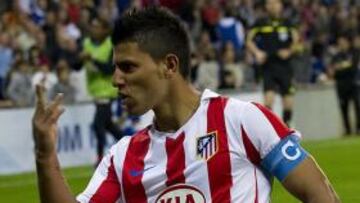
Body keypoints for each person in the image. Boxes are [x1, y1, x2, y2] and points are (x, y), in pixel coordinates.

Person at [32, 7, 340, 203]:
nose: (116, 80)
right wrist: (46, 156)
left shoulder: (243, 120)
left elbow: (320, 196)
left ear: (169, 65)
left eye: (128, 67)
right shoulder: (122, 157)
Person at [246, 0, 299, 126]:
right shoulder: (260, 23)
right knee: (268, 101)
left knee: (288, 103)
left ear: (281, 5)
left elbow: (297, 40)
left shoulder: (288, 23)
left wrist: (289, 51)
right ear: (266, 6)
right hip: (268, 66)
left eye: (275, 3)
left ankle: (286, 129)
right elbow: (248, 40)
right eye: (269, 3)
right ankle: (270, 132)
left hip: (285, 67)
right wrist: (257, 52)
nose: (272, 6)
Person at [80, 16, 123, 164]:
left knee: (98, 124)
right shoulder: (86, 44)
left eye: (97, 26)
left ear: (105, 30)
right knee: (108, 125)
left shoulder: (111, 45)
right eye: (92, 26)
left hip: (107, 92)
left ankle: (100, 158)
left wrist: (91, 59)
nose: (94, 29)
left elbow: (109, 69)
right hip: (96, 93)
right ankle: (132, 145)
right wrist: (80, 59)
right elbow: (75, 65)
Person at [330, 35, 360, 136]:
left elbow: (353, 67)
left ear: (347, 42)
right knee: (344, 109)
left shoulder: (354, 53)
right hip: (341, 86)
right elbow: (333, 71)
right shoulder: (336, 56)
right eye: (339, 42)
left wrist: (341, 67)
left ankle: (358, 129)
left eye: (343, 42)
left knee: (357, 106)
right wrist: (346, 65)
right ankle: (348, 130)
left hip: (353, 84)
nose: (341, 44)